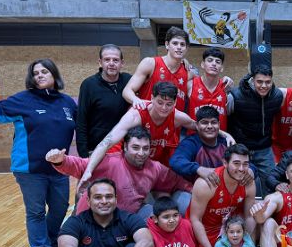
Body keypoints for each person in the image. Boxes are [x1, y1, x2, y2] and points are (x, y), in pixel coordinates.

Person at [0, 62, 75, 247]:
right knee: (36, 211)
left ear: (54, 74)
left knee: (60, 208)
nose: (39, 76)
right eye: (35, 73)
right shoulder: (23, 100)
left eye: (44, 72)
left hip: (59, 168)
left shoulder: (67, 103)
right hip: (30, 169)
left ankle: (50, 239)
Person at [80, 82, 229, 204]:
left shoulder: (177, 117)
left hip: (151, 165)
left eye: (169, 104)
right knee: (107, 196)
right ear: (152, 97)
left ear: (175, 102)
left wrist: (224, 134)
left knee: (164, 202)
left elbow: (199, 125)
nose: (164, 108)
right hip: (125, 162)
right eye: (160, 102)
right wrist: (89, 170)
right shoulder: (136, 115)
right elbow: (106, 142)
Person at [45, 126, 188, 220]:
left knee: (153, 213)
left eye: (145, 148)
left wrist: (198, 188)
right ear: (125, 147)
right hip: (93, 220)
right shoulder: (109, 161)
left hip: (126, 222)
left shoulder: (154, 168)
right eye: (136, 147)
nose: (141, 153)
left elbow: (175, 180)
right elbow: (79, 165)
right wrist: (60, 160)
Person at [187, 144, 257, 247]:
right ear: (225, 163)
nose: (241, 169)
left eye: (245, 164)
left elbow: (248, 217)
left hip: (229, 229)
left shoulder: (248, 182)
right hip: (204, 230)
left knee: (258, 215)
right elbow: (195, 220)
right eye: (236, 163)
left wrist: (245, 244)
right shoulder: (206, 184)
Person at [227, 65, 284, 196]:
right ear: (252, 80)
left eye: (268, 82)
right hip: (241, 148)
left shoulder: (277, 96)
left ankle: (266, 212)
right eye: (259, 82)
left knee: (271, 183)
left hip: (264, 148)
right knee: (236, 182)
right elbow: (226, 121)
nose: (264, 85)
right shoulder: (235, 96)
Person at [76, 44, 132, 157]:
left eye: (115, 60)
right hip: (96, 150)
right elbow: (81, 120)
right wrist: (83, 154)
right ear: (100, 62)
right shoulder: (89, 85)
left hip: (123, 150)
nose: (111, 63)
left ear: (122, 63)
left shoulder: (128, 80)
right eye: (107, 60)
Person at [123, 26, 191, 112]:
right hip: (147, 120)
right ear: (167, 45)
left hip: (172, 124)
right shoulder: (150, 63)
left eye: (182, 44)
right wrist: (136, 100)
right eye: (175, 43)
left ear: (186, 48)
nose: (179, 47)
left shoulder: (189, 71)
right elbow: (127, 91)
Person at [169, 106, 231, 189]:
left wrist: (251, 170)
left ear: (219, 124)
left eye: (213, 122)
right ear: (197, 126)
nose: (210, 126)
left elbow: (245, 162)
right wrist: (199, 169)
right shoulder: (191, 143)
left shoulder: (227, 142)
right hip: (192, 190)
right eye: (205, 122)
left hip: (222, 191)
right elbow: (175, 161)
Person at [186, 48, 228, 130]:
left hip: (219, 139)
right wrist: (183, 60)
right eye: (210, 60)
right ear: (202, 64)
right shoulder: (191, 84)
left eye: (218, 62)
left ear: (222, 68)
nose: (214, 64)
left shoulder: (226, 87)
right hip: (195, 138)